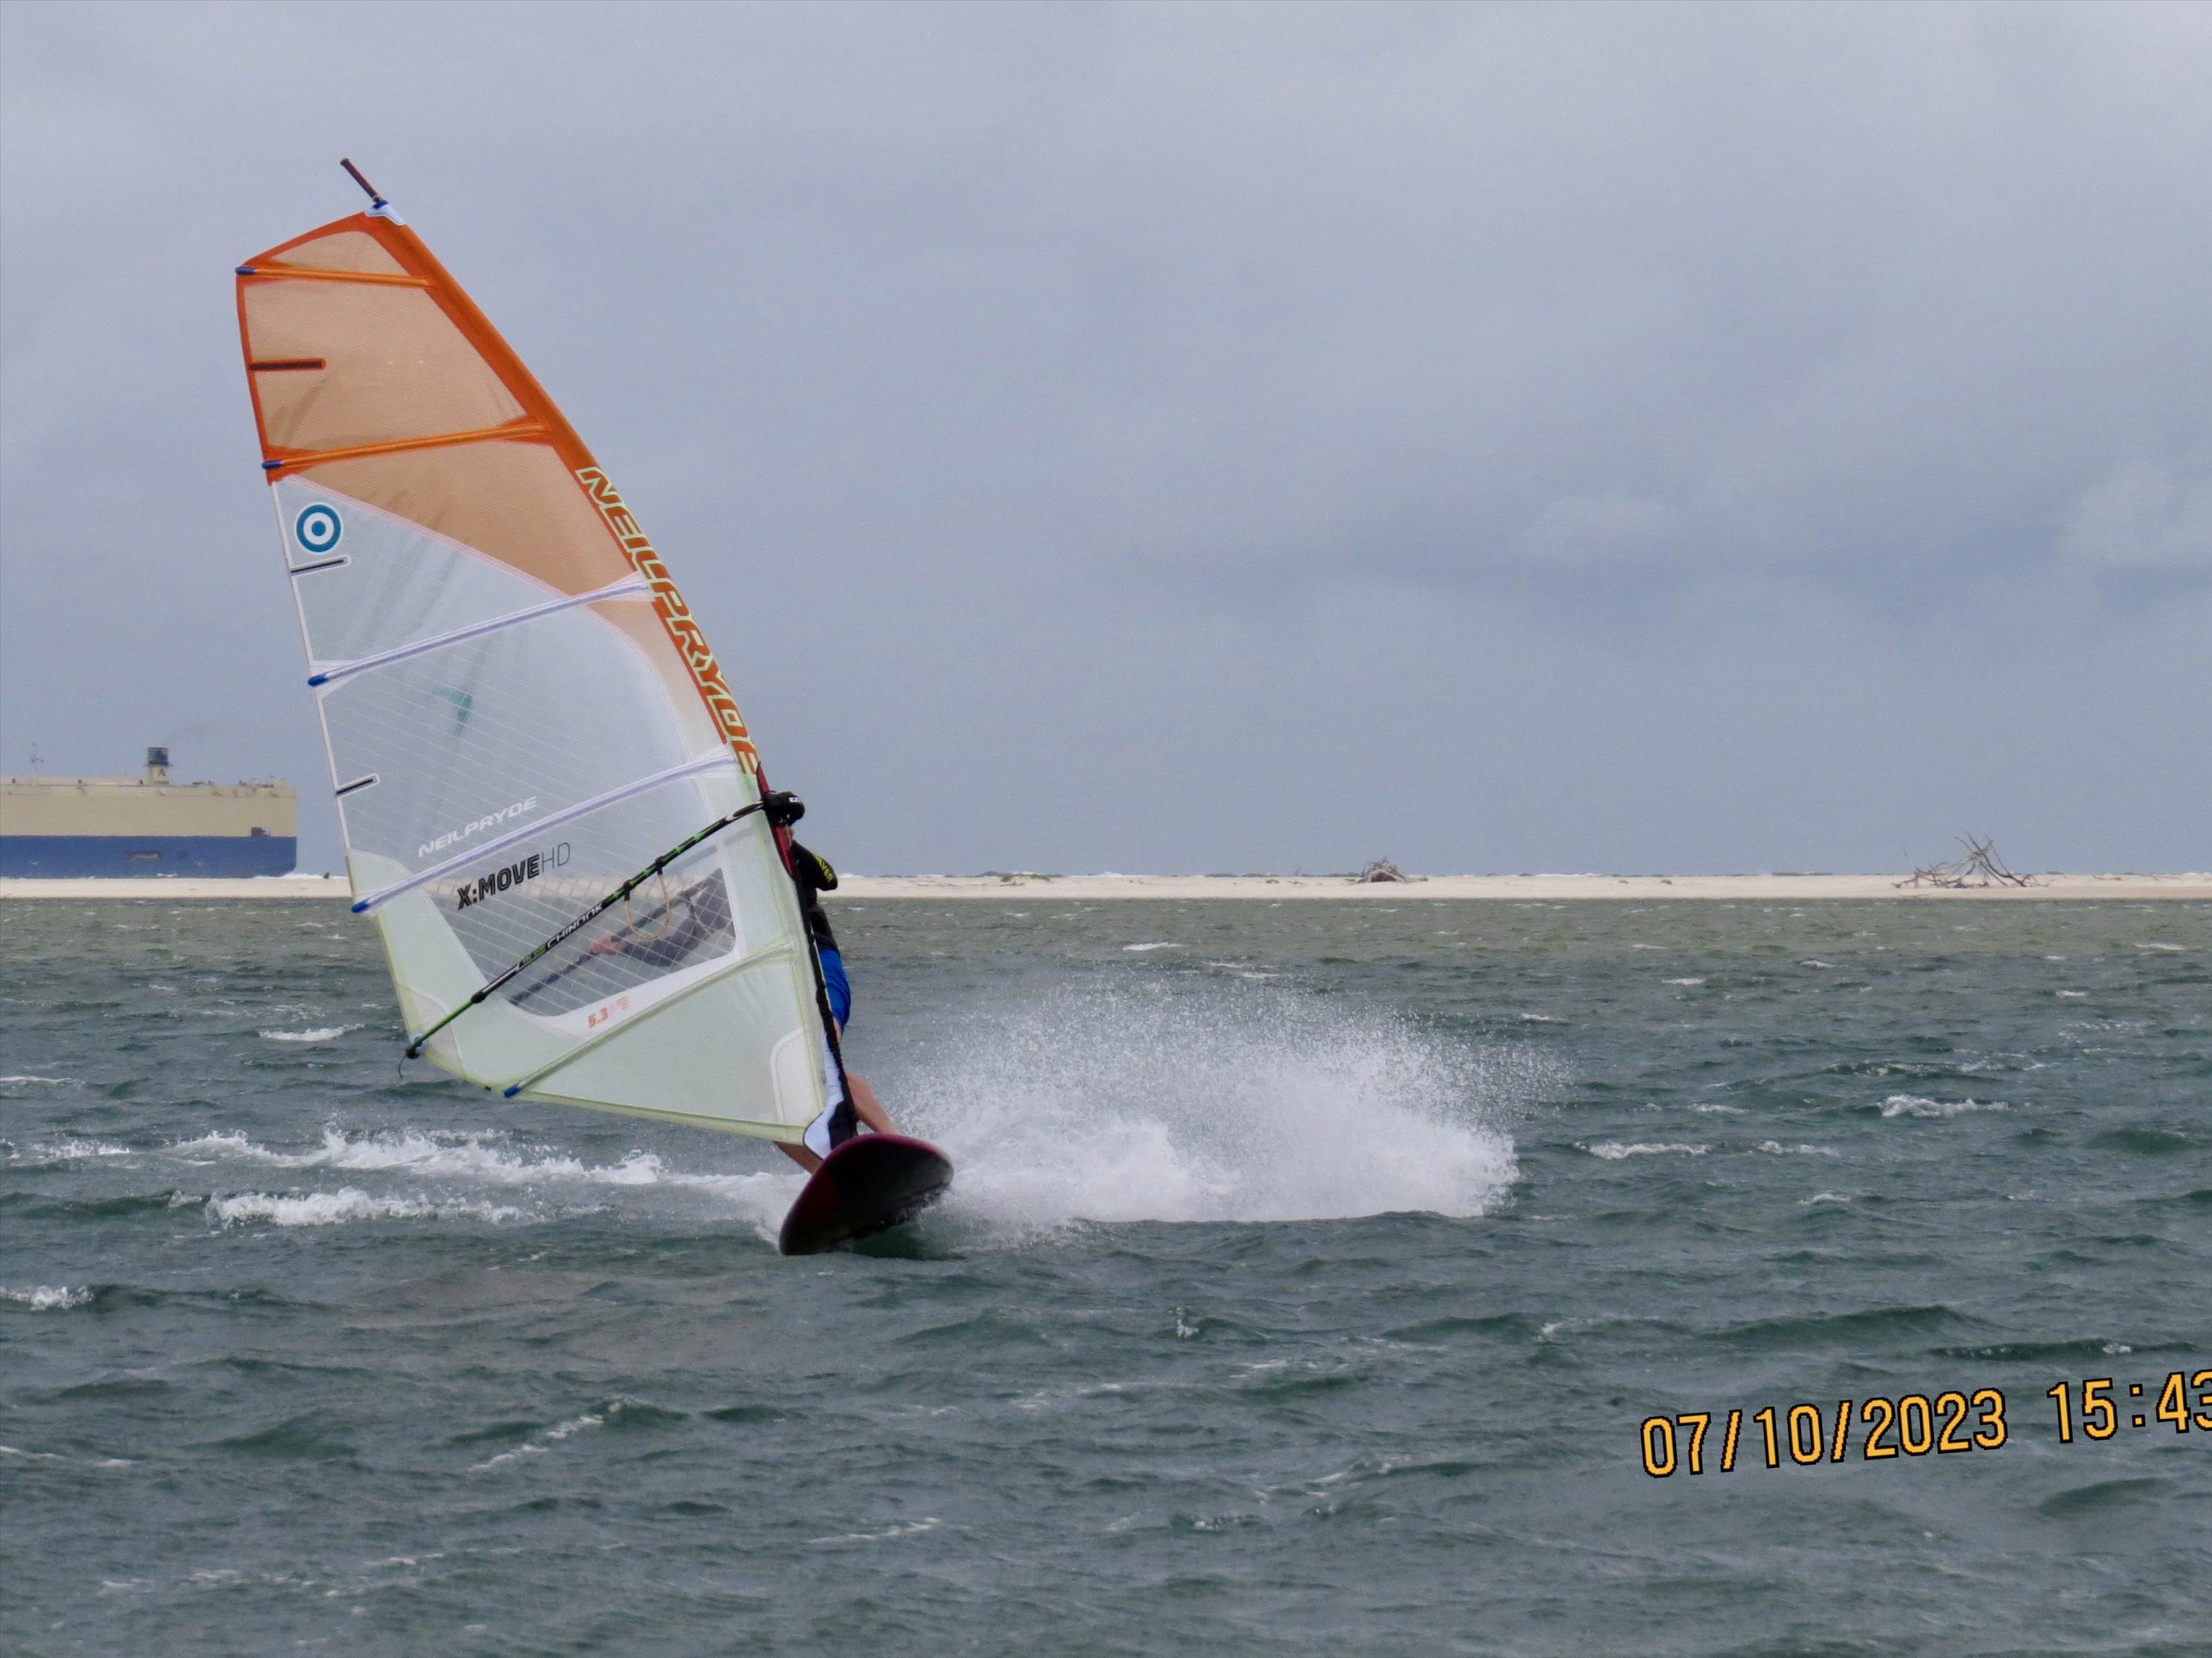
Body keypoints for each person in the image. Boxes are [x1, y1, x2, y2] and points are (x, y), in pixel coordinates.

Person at [776, 837, 896, 1173]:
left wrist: (784, 838)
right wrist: (634, 948)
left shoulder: (783, 852)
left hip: (817, 963)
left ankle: (898, 1144)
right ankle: (831, 1177)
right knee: (768, 1104)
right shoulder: (724, 885)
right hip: (774, 981)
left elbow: (828, 878)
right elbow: (677, 946)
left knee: (823, 1052)